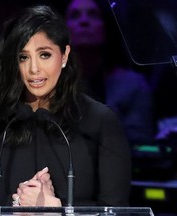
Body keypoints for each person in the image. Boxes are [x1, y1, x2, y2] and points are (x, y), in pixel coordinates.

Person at [0, 5, 131, 207]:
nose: (34, 69)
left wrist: (56, 210)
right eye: (23, 57)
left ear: (64, 56)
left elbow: (116, 210)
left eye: (44, 54)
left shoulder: (100, 121)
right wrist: (18, 206)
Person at [65, 0, 154, 146]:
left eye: (93, 15)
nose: (84, 21)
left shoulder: (133, 85)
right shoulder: (46, 84)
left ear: (106, 26)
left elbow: (140, 146)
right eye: (75, 15)